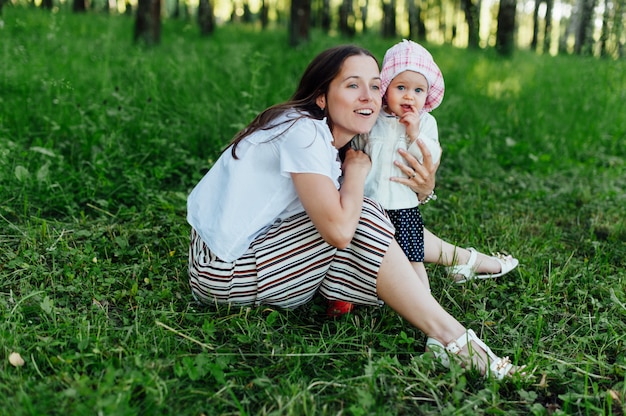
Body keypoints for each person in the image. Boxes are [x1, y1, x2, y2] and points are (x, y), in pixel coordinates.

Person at [187, 45, 522, 379]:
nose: (369, 97)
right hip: (222, 271)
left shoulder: (331, 136)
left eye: (375, 86)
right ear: (322, 96)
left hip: (250, 251)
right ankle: (454, 339)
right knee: (362, 214)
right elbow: (342, 231)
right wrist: (357, 172)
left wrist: (424, 189)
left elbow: (391, 205)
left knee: (370, 224)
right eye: (352, 85)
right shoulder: (303, 133)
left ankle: (462, 265)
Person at [328, 40, 518, 317]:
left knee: (411, 257)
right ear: (386, 87)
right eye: (401, 88)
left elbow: (431, 157)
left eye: (418, 90)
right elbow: (354, 143)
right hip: (367, 202)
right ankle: (345, 295)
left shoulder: (426, 123)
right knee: (355, 250)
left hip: (402, 206)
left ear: (427, 94)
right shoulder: (374, 117)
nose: (409, 97)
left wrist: (414, 133)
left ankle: (426, 305)